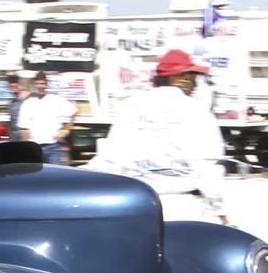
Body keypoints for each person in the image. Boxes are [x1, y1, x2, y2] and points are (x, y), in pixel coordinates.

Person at [89, 50, 227, 222]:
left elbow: (112, 158)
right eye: (192, 78)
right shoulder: (196, 110)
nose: (195, 85)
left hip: (137, 201)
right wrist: (219, 210)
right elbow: (207, 165)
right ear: (180, 78)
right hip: (182, 203)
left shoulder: (133, 106)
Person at [15, 74, 77, 165]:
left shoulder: (56, 100)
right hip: (34, 148)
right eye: (38, 83)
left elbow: (74, 113)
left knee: (54, 173)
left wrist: (66, 130)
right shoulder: (27, 103)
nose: (40, 86)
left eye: (42, 83)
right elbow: (25, 130)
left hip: (53, 147)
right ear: (34, 84)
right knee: (35, 173)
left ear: (46, 85)